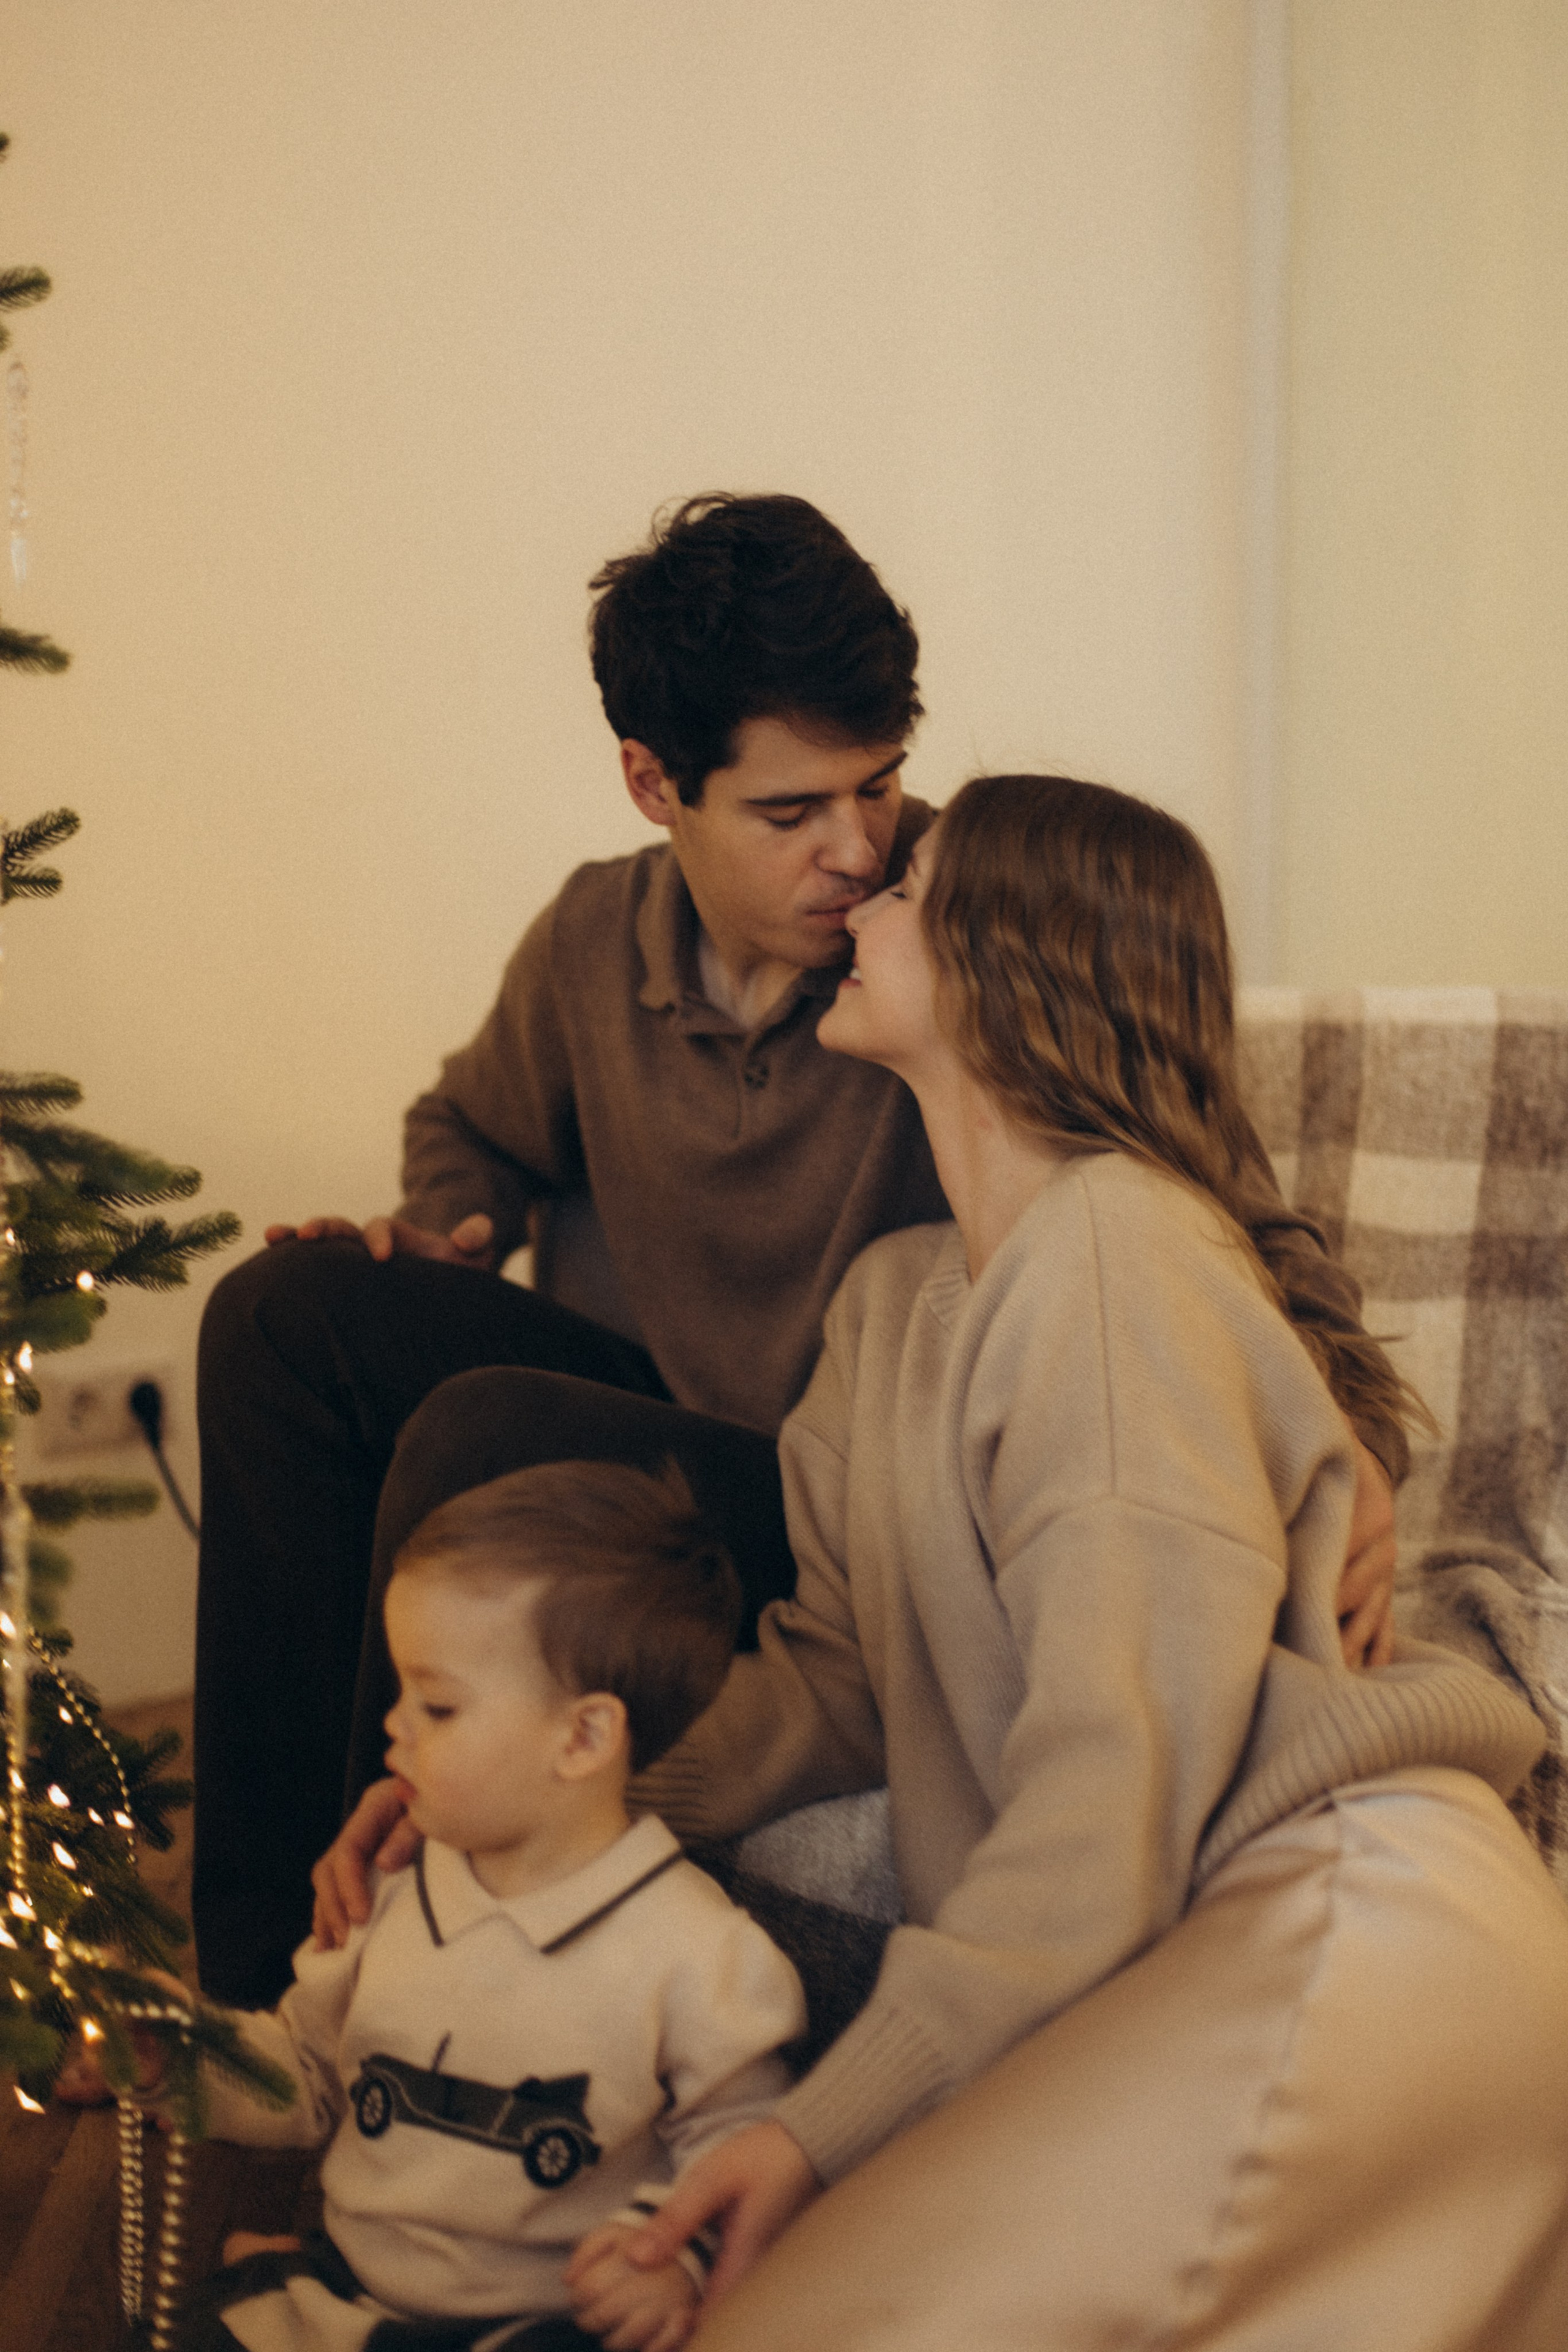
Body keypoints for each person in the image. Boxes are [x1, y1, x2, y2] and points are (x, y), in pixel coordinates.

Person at [333, 775, 1568, 2347]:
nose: (863, 899)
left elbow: (1109, 1784)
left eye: (909, 891)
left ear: (1006, 962)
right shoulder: (899, 1302)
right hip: (1179, 1947)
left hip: (1339, 1926)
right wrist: (540, 1792)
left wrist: (815, 2121)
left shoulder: (1118, 1252)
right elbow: (836, 1678)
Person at [198, 494, 1402, 2010]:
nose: (855, 850)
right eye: (789, 814)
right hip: (665, 1430)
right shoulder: (587, 944)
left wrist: (1347, 1441)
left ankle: (412, 1966)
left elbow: (1227, 1213)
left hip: (846, 1494)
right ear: (654, 785)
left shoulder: (959, 927)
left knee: (485, 1430)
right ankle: (255, 1979)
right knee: (282, 1312)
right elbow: (474, 1128)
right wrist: (447, 1233)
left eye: (878, 785)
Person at [165, 1458, 805, 2352]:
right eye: (400, 1693)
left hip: (536, 2322)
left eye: (436, 1704)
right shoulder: (392, 1894)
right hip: (349, 2290)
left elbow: (739, 2145)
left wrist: (672, 2259)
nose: (393, 1726)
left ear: (583, 1737)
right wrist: (174, 2049)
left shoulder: (701, 1954)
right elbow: (304, 2079)